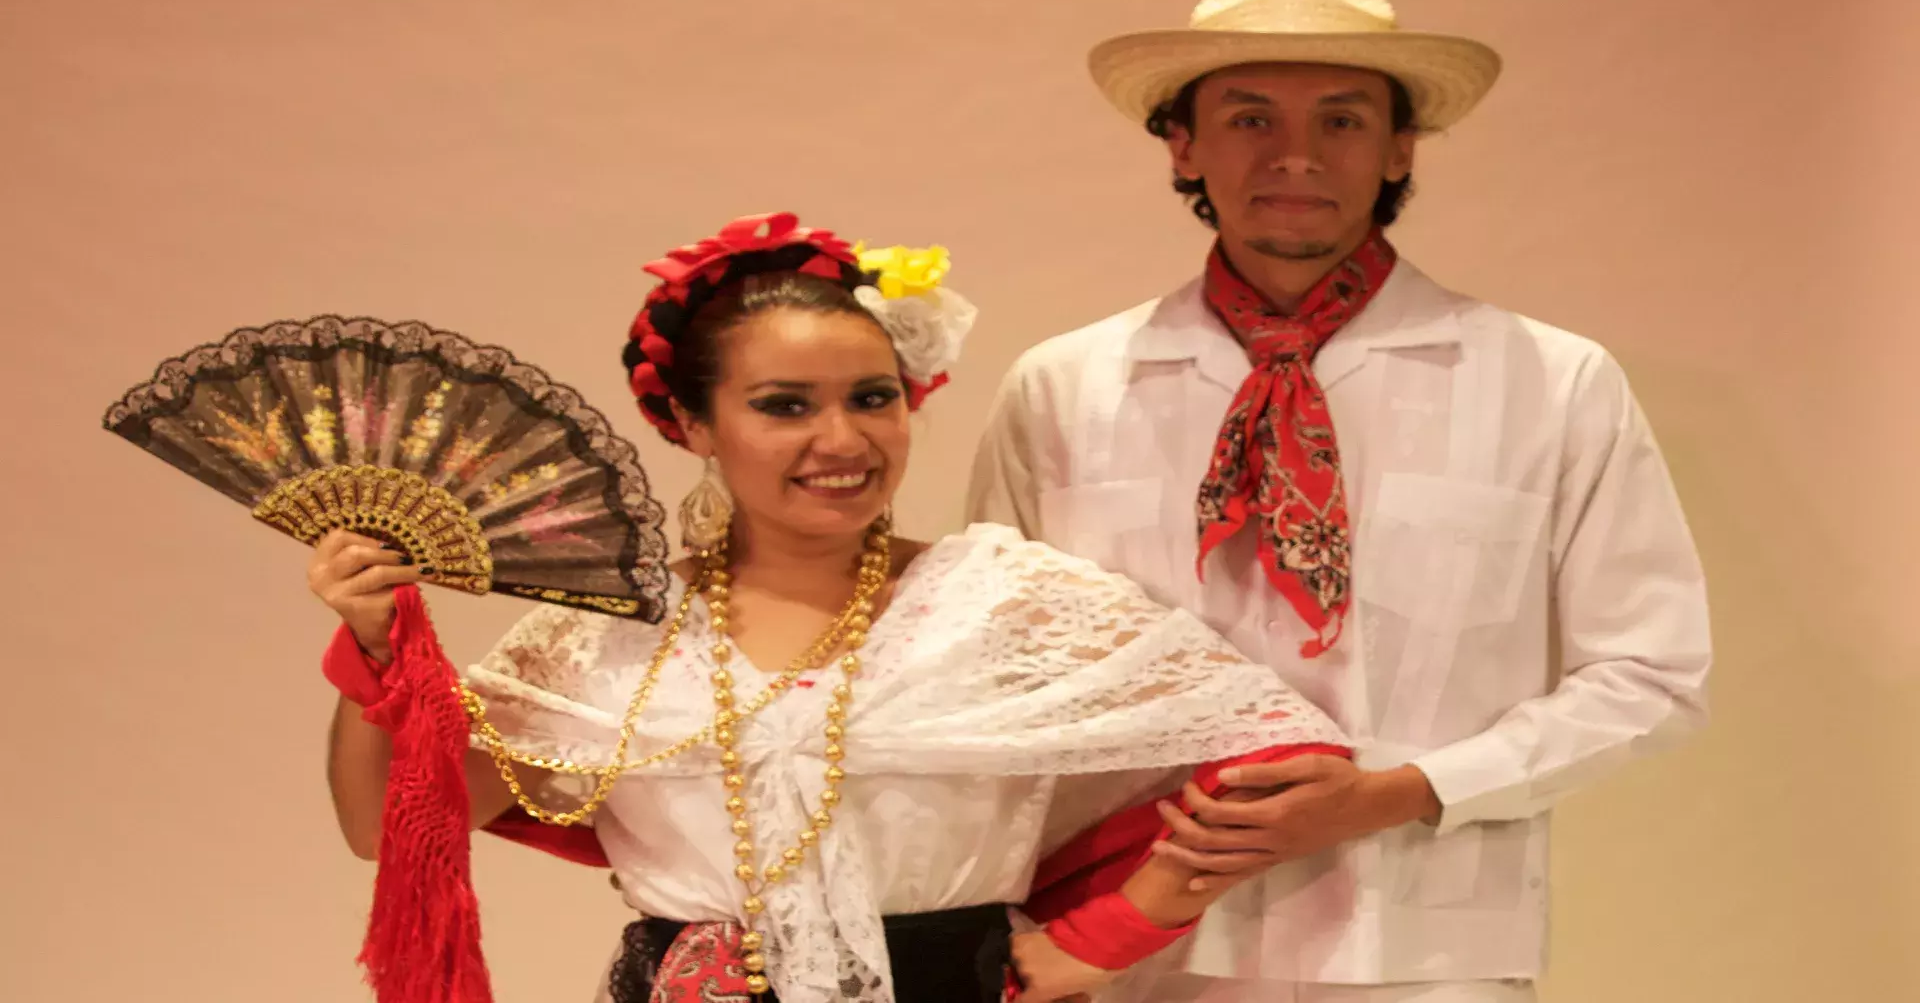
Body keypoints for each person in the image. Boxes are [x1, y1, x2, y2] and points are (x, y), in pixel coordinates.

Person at [315, 212, 1358, 1003]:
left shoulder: (1004, 600)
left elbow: (1273, 753)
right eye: (783, 406)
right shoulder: (605, 635)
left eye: (872, 398)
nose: (843, 441)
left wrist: (1106, 938)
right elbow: (387, 827)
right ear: (691, 423)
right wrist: (379, 644)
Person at [967, 0, 1713, 1003]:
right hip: (1133, 948)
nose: (1297, 156)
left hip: (1424, 952)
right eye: (1250, 116)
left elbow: (1652, 676)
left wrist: (1403, 792)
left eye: (1345, 119)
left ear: (1402, 146)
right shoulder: (1063, 388)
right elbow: (996, 686)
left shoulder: (1548, 381)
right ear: (1181, 144)